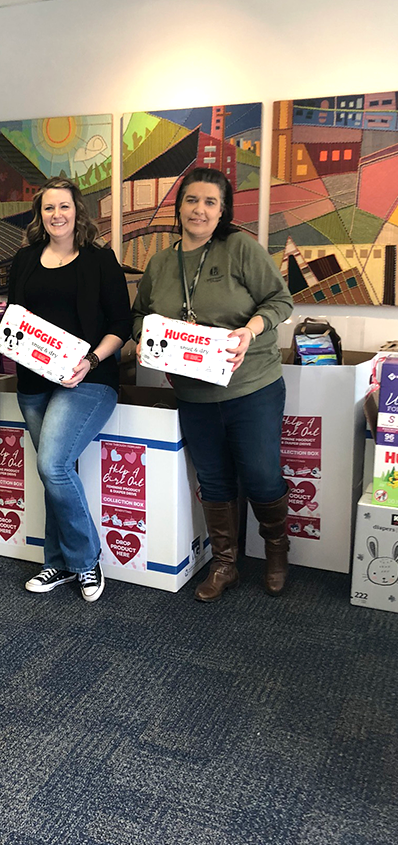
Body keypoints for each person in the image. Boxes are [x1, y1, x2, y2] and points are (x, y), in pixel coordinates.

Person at [132, 167, 294, 602]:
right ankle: (225, 563)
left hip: (252, 387)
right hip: (194, 393)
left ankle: (277, 550)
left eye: (209, 202)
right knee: (215, 479)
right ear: (179, 206)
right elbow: (138, 317)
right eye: (191, 200)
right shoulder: (162, 262)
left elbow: (280, 300)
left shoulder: (239, 247)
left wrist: (252, 330)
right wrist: (151, 341)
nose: (198, 209)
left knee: (260, 475)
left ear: (222, 211)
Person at [3, 176, 131, 602]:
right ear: (40, 215)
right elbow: (15, 319)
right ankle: (56, 562)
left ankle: (85, 558)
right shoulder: (23, 260)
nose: (56, 215)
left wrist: (90, 360)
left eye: (64, 207)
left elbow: (120, 325)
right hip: (33, 382)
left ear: (78, 211)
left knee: (53, 465)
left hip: (89, 380)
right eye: (48, 208)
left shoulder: (100, 259)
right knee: (56, 471)